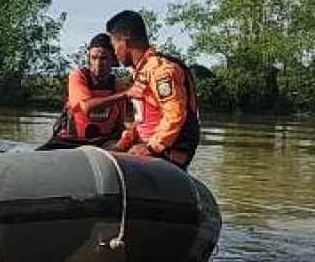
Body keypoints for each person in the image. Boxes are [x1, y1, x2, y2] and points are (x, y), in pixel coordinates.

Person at [106, 10, 201, 169]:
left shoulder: (161, 71)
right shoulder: (143, 71)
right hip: (154, 148)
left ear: (125, 42)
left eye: (114, 45)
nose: (114, 53)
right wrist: (122, 144)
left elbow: (174, 115)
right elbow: (143, 120)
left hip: (167, 153)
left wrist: (151, 148)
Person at [48, 33, 129, 145]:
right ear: (89, 58)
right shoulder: (78, 77)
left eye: (103, 58)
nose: (98, 64)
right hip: (71, 142)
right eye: (94, 58)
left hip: (105, 143)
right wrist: (125, 95)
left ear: (113, 60)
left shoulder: (118, 85)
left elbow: (120, 124)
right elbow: (86, 106)